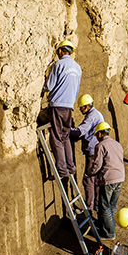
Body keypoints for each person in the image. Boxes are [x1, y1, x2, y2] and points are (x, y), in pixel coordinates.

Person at [43, 40, 82, 178]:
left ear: (60, 51)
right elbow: (76, 89)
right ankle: (70, 166)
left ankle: (62, 170)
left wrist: (41, 88)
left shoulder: (58, 65)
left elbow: (50, 86)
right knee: (65, 137)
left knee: (56, 138)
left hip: (57, 106)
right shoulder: (77, 67)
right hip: (69, 107)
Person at [89, 121, 124, 239]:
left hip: (109, 179)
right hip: (120, 177)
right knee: (113, 206)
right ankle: (110, 227)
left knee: (104, 207)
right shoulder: (117, 144)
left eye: (96, 135)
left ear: (100, 134)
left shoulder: (100, 146)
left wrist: (90, 173)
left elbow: (97, 165)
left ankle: (109, 233)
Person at [70, 94, 105, 210]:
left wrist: (67, 131)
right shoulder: (96, 114)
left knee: (88, 179)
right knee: (96, 180)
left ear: (86, 106)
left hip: (92, 152)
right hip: (97, 150)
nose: (80, 110)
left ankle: (89, 208)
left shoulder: (91, 116)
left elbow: (81, 131)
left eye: (81, 108)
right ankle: (96, 205)